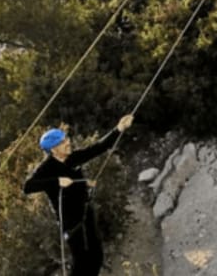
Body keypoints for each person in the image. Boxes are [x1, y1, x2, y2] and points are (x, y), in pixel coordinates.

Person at [23, 115, 134, 276]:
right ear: (53, 150)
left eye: (66, 138)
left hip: (85, 212)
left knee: (96, 256)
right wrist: (57, 181)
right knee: (82, 260)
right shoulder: (46, 168)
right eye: (62, 142)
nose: (68, 142)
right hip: (71, 221)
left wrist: (118, 129)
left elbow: (98, 148)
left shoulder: (72, 158)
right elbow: (28, 187)